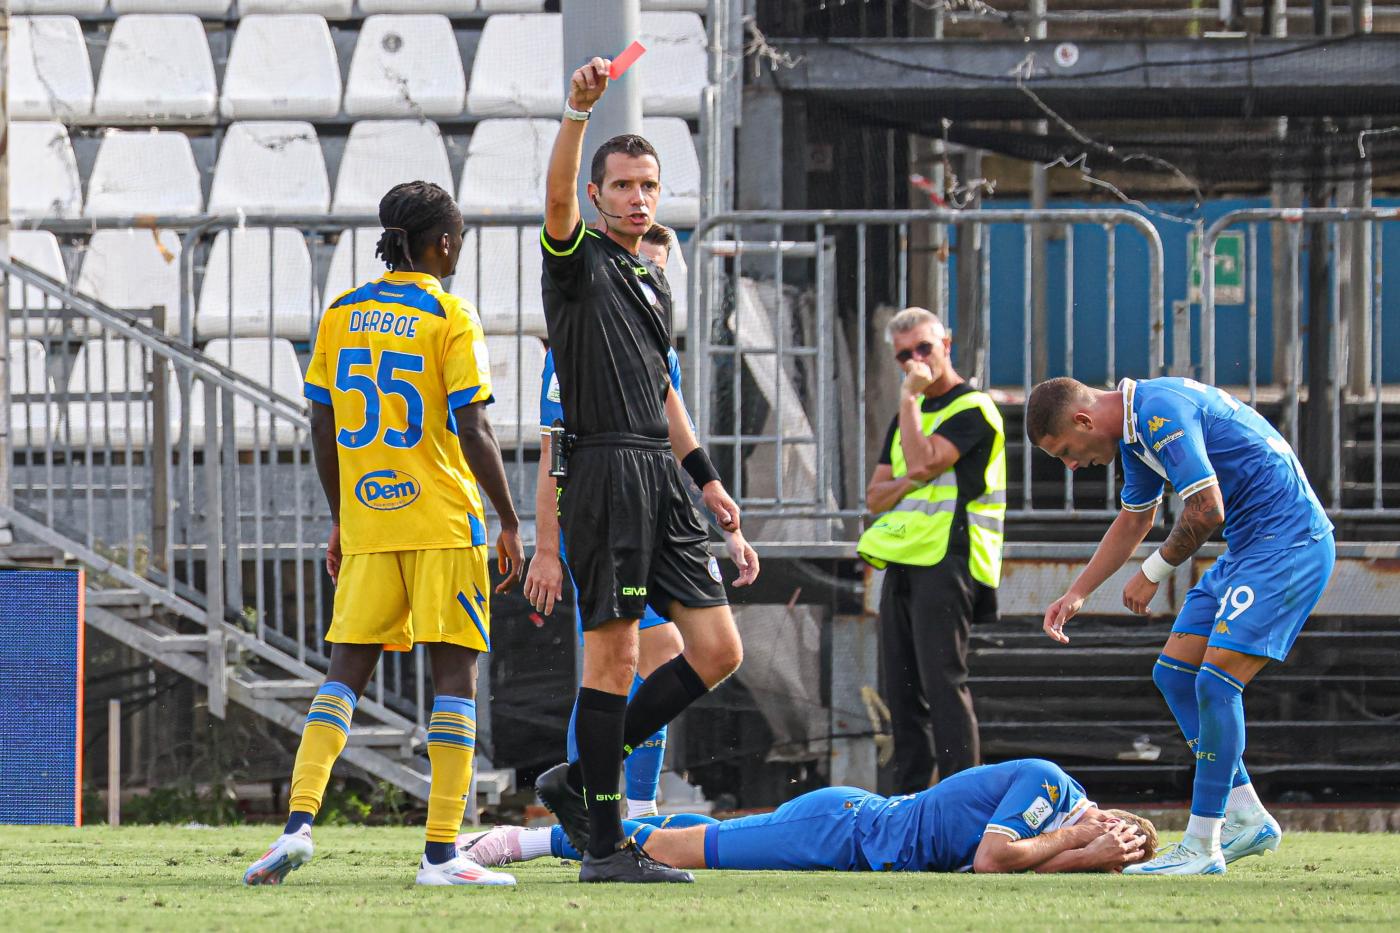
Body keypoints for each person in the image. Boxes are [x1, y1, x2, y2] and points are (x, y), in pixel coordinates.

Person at [242, 181, 525, 888]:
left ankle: (297, 824)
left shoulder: (340, 313)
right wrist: (509, 518)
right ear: (444, 243)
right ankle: (441, 856)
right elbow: (473, 426)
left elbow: (320, 422)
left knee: (343, 675)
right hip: (443, 523)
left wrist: (343, 516)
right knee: (454, 679)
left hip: (370, 521)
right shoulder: (450, 314)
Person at [535, 56, 747, 883]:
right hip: (606, 474)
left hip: (661, 476)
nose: (637, 198)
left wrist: (707, 476)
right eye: (622, 186)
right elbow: (554, 203)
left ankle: (577, 776)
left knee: (718, 649)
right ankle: (605, 845)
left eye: (648, 186)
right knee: (615, 659)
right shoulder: (578, 259)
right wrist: (577, 112)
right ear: (597, 195)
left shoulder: (653, 278)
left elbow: (663, 392)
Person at [1026, 375, 1335, 875]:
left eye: (1065, 451)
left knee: (1217, 683)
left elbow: (1207, 509)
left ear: (1083, 421)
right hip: (1248, 550)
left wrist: (1152, 572)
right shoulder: (1133, 433)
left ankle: (1202, 843)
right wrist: (1078, 592)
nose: (1072, 465)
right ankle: (1245, 816)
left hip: (1288, 545)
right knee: (1173, 675)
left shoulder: (1158, 410)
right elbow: (1135, 519)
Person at [524, 224, 759, 821]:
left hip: (658, 513)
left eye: (654, 266)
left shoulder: (657, 338)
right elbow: (553, 450)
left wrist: (720, 506)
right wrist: (546, 548)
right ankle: (613, 805)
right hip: (604, 514)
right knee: (626, 658)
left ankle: (598, 789)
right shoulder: (578, 343)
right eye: (636, 261)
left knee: (683, 654)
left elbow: (676, 426)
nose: (643, 274)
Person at [458, 758, 1156, 875]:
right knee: (683, 850)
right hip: (843, 829)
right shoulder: (1050, 789)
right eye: (1118, 840)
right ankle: (526, 839)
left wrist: (1086, 854)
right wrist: (1080, 840)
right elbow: (993, 861)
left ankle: (538, 834)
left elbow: (1014, 865)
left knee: (695, 837)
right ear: (1104, 816)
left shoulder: (1052, 826)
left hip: (852, 833)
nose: (1103, 855)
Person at [857, 307, 1006, 793]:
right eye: (904, 355)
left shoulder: (972, 408)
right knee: (901, 690)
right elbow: (875, 496)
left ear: (947, 343)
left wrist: (908, 400)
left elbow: (921, 464)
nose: (916, 361)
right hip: (905, 559)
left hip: (951, 558)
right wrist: (910, 477)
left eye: (924, 348)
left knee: (943, 683)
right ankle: (908, 802)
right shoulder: (909, 416)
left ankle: (962, 797)